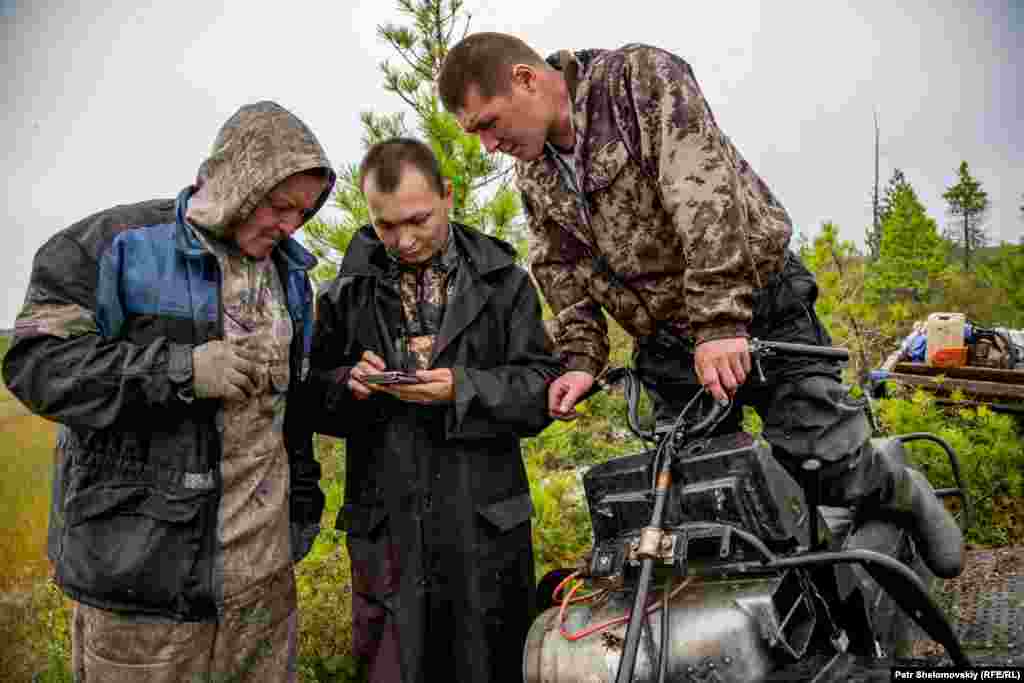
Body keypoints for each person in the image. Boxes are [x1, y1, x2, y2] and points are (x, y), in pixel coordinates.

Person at [437, 33, 964, 580]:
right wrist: (579, 360)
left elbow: (704, 197)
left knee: (824, 461)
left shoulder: (638, 82)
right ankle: (799, 611)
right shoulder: (535, 169)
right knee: (704, 495)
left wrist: (719, 321)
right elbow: (558, 266)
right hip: (668, 344)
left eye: (488, 124)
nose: (488, 147)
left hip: (757, 304)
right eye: (475, 134)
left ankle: (902, 487)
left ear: (525, 80)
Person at [2, 101, 333, 682]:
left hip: (262, 587)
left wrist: (300, 509)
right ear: (236, 179)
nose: (290, 225)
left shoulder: (291, 276)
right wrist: (181, 370)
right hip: (144, 585)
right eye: (279, 205)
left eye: (302, 213)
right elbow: (38, 365)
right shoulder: (114, 245)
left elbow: (294, 411)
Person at [306, 137, 561, 683]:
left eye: (417, 219)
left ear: (449, 194)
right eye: (385, 226)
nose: (404, 239)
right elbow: (305, 396)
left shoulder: (506, 283)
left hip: (484, 524)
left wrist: (462, 389)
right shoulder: (343, 294)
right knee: (394, 667)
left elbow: (541, 390)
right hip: (387, 525)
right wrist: (345, 384)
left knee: (489, 665)